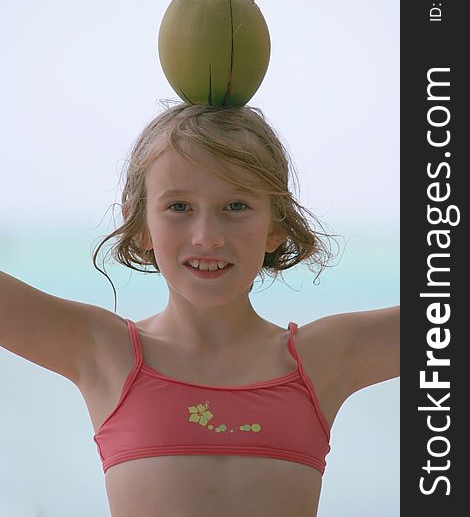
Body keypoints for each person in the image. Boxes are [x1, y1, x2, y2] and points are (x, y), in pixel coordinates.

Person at [0, 101, 399, 517]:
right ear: (140, 225)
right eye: (179, 207)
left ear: (275, 226)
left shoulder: (323, 358)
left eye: (236, 206)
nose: (207, 237)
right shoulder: (105, 352)